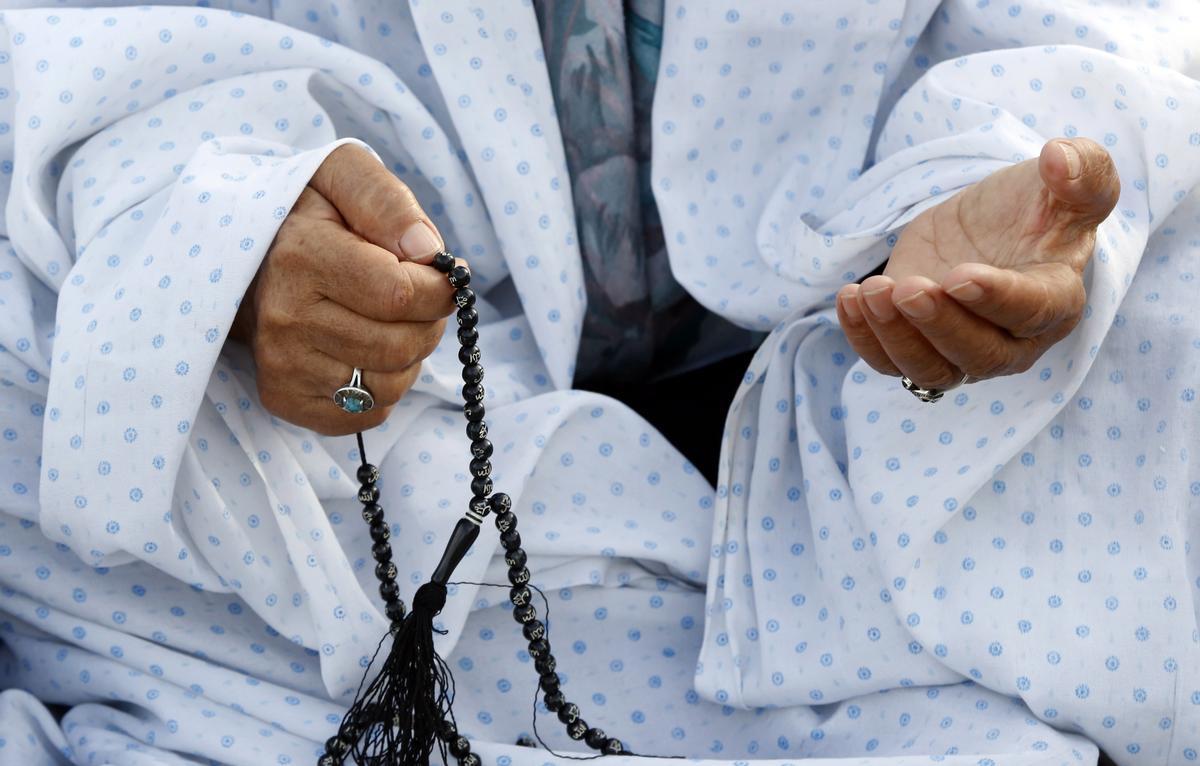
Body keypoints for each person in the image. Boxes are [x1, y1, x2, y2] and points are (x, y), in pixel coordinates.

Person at [0, 1, 1196, 765]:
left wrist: (987, 192)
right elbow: (91, 64)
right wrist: (227, 246)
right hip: (402, 420)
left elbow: (1083, 56)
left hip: (855, 376)